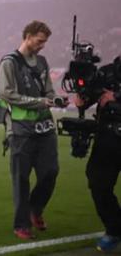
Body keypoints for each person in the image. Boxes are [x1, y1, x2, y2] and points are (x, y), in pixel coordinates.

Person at [0, 20, 65, 240]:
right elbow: (6, 93)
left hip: (45, 128)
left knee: (50, 172)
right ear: (28, 36)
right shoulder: (9, 62)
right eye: (39, 41)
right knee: (21, 179)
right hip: (21, 130)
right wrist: (39, 102)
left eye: (44, 42)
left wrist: (55, 99)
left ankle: (35, 209)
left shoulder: (42, 62)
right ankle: (21, 224)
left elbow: (48, 90)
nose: (42, 46)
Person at [76, 88, 121, 252]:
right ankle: (114, 230)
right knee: (98, 183)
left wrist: (116, 96)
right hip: (108, 136)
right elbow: (94, 94)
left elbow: (111, 96)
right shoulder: (109, 76)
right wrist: (83, 100)